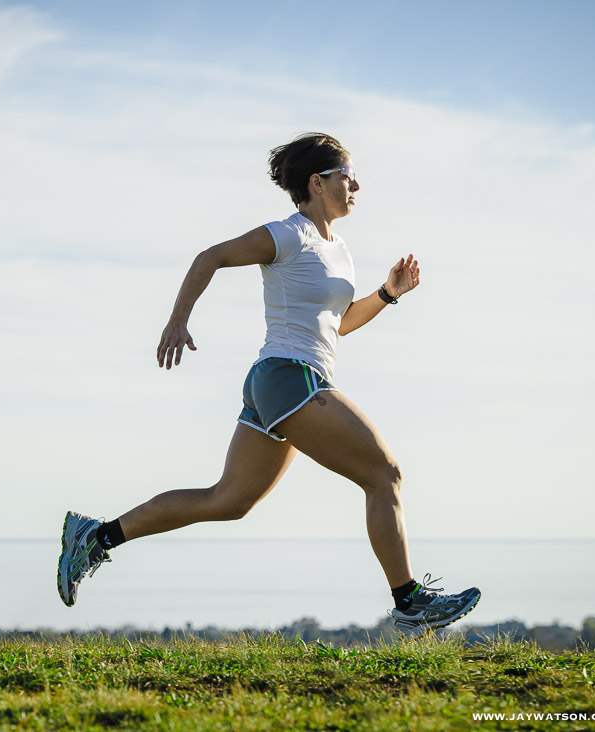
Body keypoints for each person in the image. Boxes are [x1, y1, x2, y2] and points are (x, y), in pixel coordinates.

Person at [56, 132, 480, 631]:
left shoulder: (337, 249)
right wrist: (178, 320)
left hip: (285, 382)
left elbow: (338, 324)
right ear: (317, 183)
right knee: (383, 474)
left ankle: (96, 537)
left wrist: (388, 293)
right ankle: (410, 603)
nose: (356, 184)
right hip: (289, 378)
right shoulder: (289, 234)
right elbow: (209, 256)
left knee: (228, 500)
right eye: (346, 176)